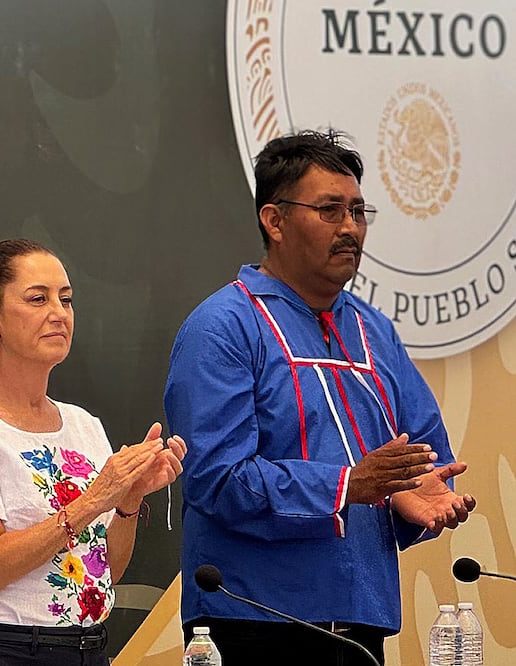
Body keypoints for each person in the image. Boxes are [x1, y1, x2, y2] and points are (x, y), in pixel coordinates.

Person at [164, 130, 476, 665]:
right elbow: (216, 479)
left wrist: (413, 491)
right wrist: (348, 485)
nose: (350, 227)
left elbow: (423, 454)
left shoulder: (375, 331)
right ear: (275, 220)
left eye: (357, 211)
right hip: (253, 619)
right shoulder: (222, 327)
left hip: (361, 622)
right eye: (330, 210)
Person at [0, 239, 186, 665]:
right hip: (3, 651)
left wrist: (129, 497)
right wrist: (93, 500)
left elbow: (103, 572)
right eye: (38, 299)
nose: (59, 313)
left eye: (65, 299)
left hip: (89, 648)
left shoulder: (84, 426)